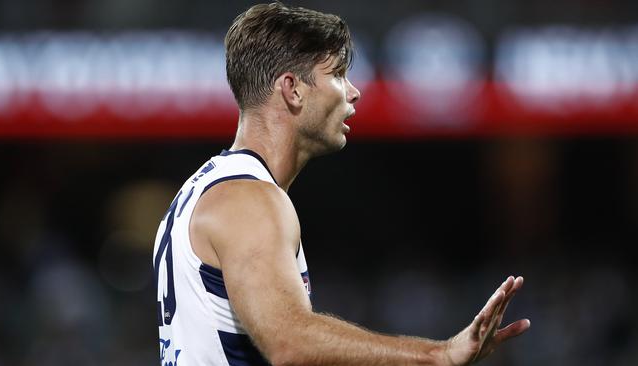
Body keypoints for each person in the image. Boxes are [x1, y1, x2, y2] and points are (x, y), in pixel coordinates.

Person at [152, 2, 531, 365]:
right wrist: (438, 355)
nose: (353, 92)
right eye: (337, 75)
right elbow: (290, 343)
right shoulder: (249, 199)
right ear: (293, 89)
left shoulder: (205, 189)